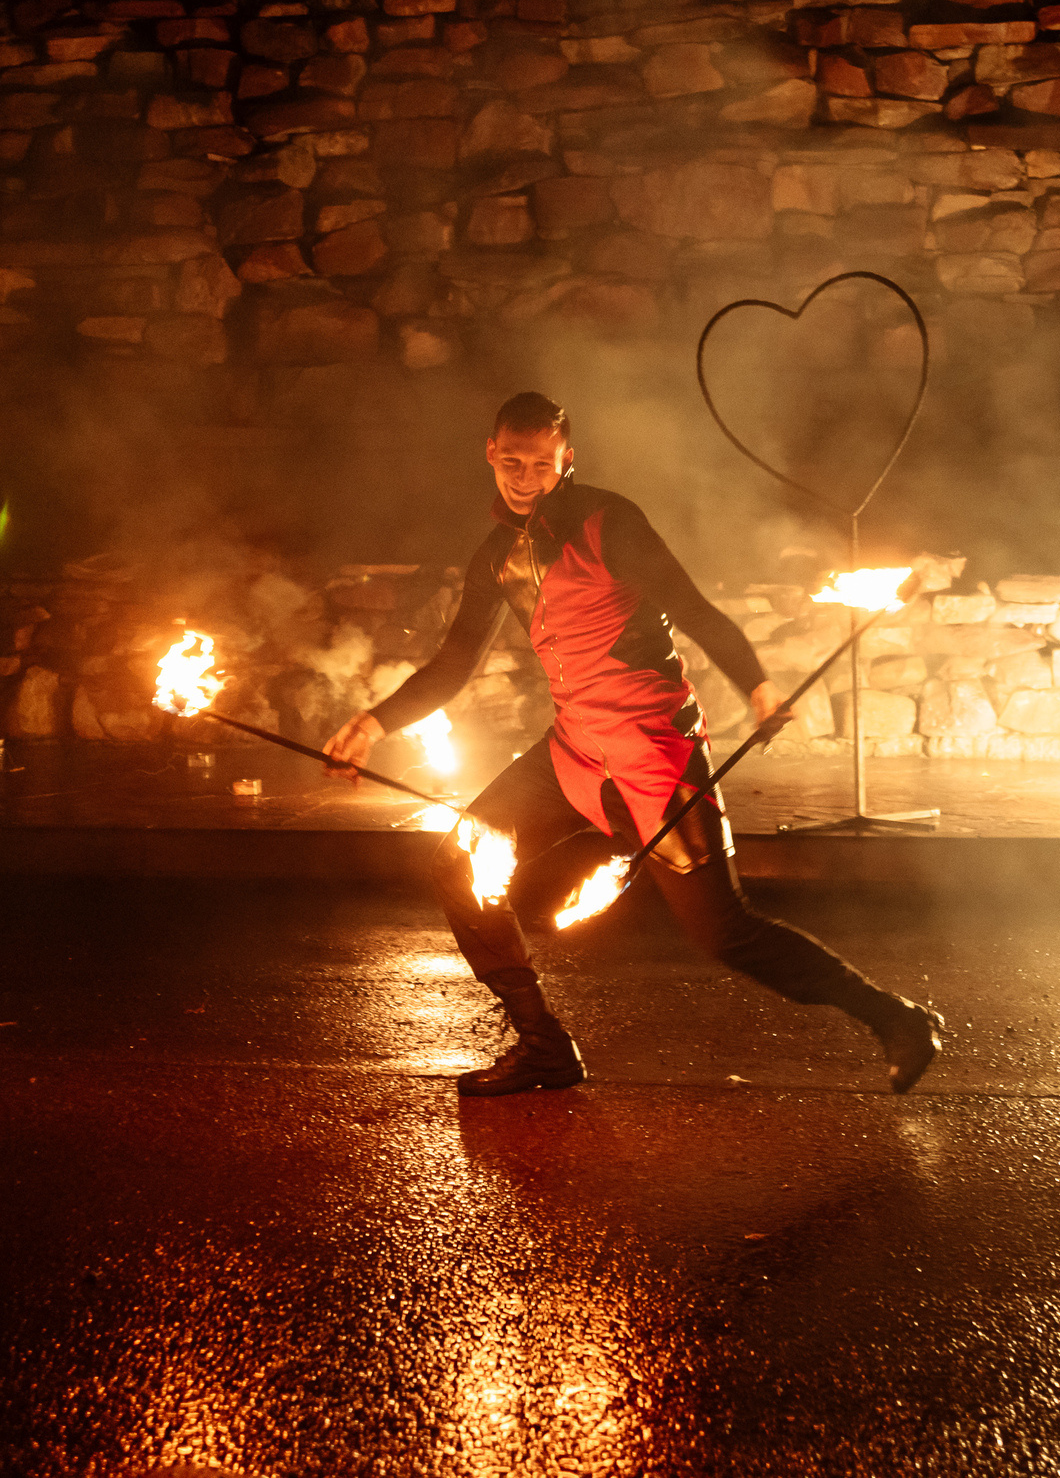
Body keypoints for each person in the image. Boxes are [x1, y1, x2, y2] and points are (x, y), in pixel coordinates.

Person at [323, 391, 944, 1098]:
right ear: (490, 455)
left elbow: (693, 606)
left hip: (656, 751)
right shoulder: (497, 556)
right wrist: (373, 722)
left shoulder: (607, 522)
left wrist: (758, 686)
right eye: (512, 462)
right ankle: (544, 1046)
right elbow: (455, 662)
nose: (525, 479)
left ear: (567, 459)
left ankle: (897, 1019)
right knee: (461, 862)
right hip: (574, 751)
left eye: (541, 464)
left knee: (726, 932)